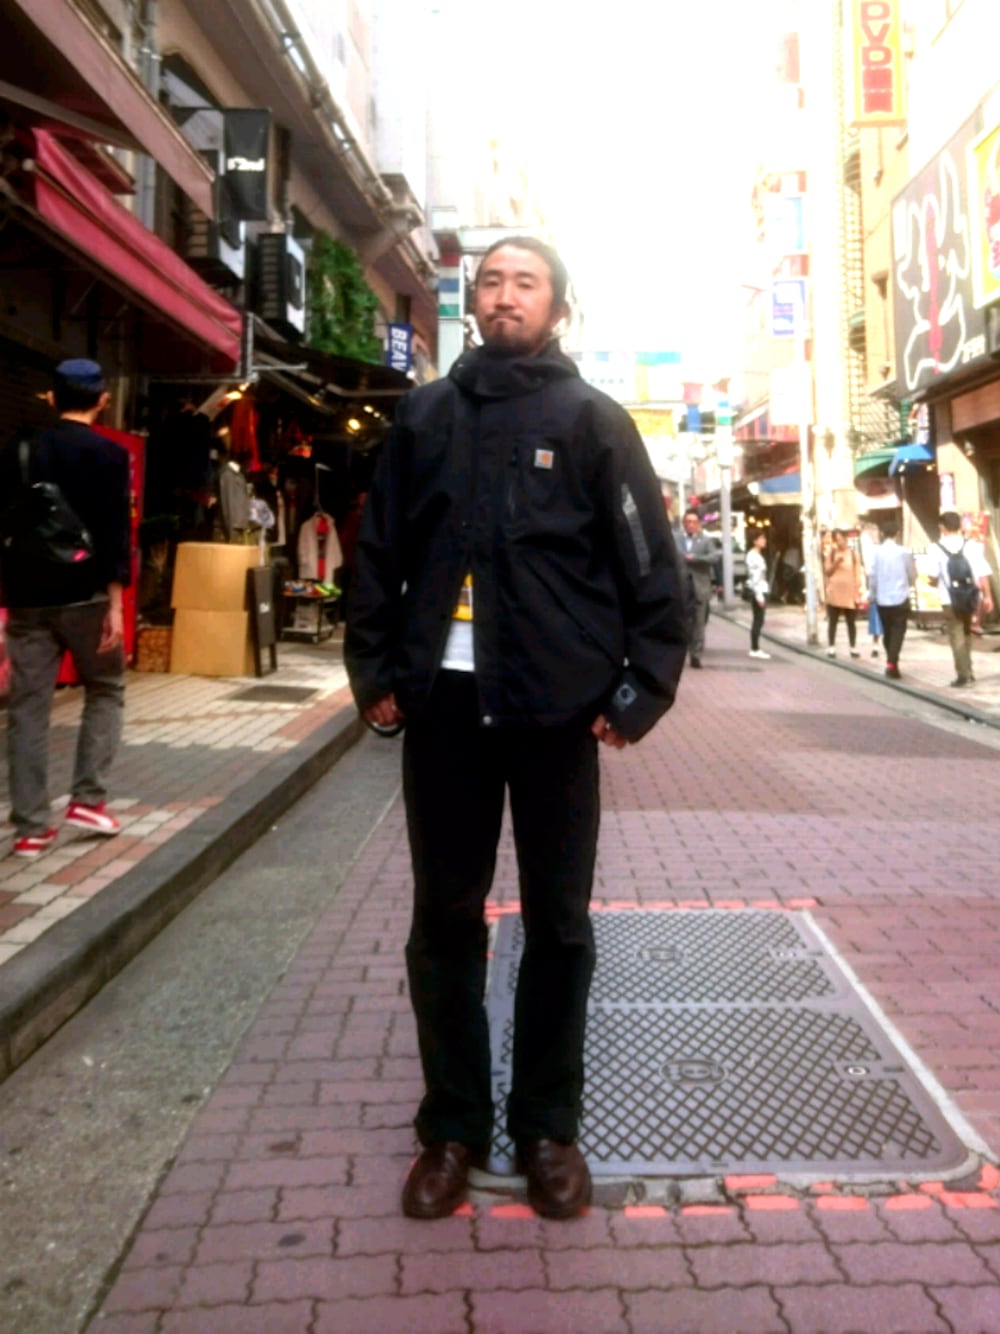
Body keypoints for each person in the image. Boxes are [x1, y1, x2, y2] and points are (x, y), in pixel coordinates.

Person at [345, 237, 687, 1222]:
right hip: (444, 706)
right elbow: (378, 549)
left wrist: (639, 689)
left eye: (525, 283)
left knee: (559, 923)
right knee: (444, 919)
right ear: (473, 302)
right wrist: (375, 669)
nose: (505, 296)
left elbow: (649, 562)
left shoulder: (592, 421)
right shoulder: (425, 415)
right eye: (491, 281)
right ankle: (452, 1128)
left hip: (554, 708)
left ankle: (547, 1127)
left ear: (557, 309)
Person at [0, 359, 130, 858]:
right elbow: (116, 534)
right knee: (106, 688)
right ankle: (88, 800)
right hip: (87, 595)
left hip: (27, 597)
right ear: (103, 400)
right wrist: (116, 606)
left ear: (51, 399)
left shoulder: (19, 447)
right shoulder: (110, 455)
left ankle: (31, 828)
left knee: (27, 709)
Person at [926, 511, 994, 687]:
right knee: (966, 632)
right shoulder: (972, 545)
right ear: (959, 526)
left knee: (956, 636)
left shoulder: (935, 548)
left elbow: (932, 576)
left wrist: (933, 582)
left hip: (949, 598)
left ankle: (963, 675)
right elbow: (984, 573)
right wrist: (988, 597)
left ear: (942, 527)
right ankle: (969, 671)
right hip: (971, 596)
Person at [868, 520, 916, 680]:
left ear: (882, 534)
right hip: (900, 598)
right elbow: (912, 574)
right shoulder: (904, 552)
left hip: (882, 599)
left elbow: (872, 577)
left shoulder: (876, 553)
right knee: (898, 632)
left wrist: (872, 595)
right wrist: (909, 583)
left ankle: (891, 663)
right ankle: (891, 663)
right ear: (897, 533)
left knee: (888, 632)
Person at [678, 508, 716, 667]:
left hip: (700, 587)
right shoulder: (675, 538)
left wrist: (696, 558)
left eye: (694, 522)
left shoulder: (706, 541)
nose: (691, 525)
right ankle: (680, 652)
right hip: (680, 587)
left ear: (699, 524)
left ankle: (696, 654)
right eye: (688, 522)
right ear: (683, 523)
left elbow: (714, 557)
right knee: (681, 622)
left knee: (699, 622)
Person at [823, 528, 864, 658]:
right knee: (833, 621)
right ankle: (831, 647)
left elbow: (857, 574)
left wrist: (857, 592)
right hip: (835, 591)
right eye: (837, 540)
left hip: (849, 592)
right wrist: (836, 563)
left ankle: (853, 647)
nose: (839, 542)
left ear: (846, 539)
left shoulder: (853, 554)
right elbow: (827, 571)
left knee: (851, 621)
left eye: (841, 539)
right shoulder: (831, 553)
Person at [746, 530, 771, 660]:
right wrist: (759, 595)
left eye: (764, 538)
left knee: (759, 619)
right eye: (761, 538)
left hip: (761, 588)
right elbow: (755, 577)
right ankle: (754, 648)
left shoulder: (757, 555)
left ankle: (755, 647)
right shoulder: (753, 556)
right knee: (758, 619)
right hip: (758, 590)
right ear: (754, 540)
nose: (764, 540)